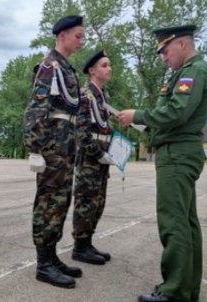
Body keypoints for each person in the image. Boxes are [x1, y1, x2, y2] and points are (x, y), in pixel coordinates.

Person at [117, 25, 207, 302]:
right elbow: (170, 114)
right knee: (186, 222)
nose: (162, 56)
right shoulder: (187, 72)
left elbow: (177, 111)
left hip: (177, 154)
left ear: (182, 44)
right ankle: (186, 288)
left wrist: (139, 114)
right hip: (178, 150)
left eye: (165, 50)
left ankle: (174, 291)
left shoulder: (193, 72)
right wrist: (144, 124)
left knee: (173, 222)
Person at [22, 15, 85, 289]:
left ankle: (52, 256)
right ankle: (43, 264)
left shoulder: (66, 68)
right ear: (62, 36)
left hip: (64, 147)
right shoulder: (50, 67)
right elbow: (35, 111)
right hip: (51, 150)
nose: (81, 41)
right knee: (48, 204)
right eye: (78, 36)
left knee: (61, 202)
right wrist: (36, 150)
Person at [71, 50, 114, 266]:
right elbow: (82, 132)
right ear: (92, 71)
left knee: (98, 202)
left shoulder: (103, 96)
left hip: (102, 159)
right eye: (104, 65)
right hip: (90, 160)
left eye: (109, 65)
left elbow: (105, 129)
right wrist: (100, 154)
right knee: (86, 202)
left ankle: (87, 243)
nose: (109, 69)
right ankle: (79, 247)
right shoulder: (85, 95)